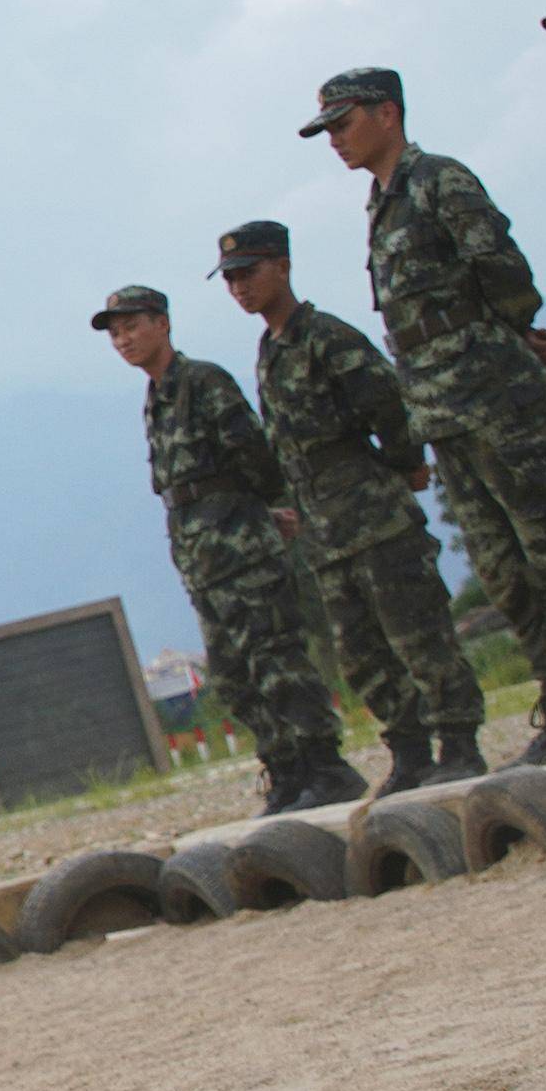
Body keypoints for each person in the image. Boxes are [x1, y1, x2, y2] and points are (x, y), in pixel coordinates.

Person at [306, 67, 546, 757]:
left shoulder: (440, 181)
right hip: (440, 408)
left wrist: (508, 339)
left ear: (387, 113)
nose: (333, 139)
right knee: (503, 565)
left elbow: (505, 274)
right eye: (326, 128)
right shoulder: (381, 203)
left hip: (494, 396)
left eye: (343, 122)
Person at [219, 220, 489, 790]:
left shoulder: (326, 337)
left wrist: (405, 465)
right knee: (361, 653)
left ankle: (459, 741)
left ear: (283, 267)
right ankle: (410, 750)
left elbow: (387, 405)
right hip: (325, 528)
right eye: (231, 279)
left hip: (373, 514)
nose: (239, 287)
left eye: (249, 273)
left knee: (420, 635)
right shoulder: (270, 350)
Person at [97, 283, 361, 812]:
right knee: (235, 677)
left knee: (276, 660)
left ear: (162, 324)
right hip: (203, 558)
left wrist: (259, 511)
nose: (122, 339)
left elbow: (253, 454)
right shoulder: (157, 397)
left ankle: (326, 767)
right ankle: (285, 768)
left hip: (240, 547)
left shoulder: (202, 381)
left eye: (132, 326)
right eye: (115, 332)